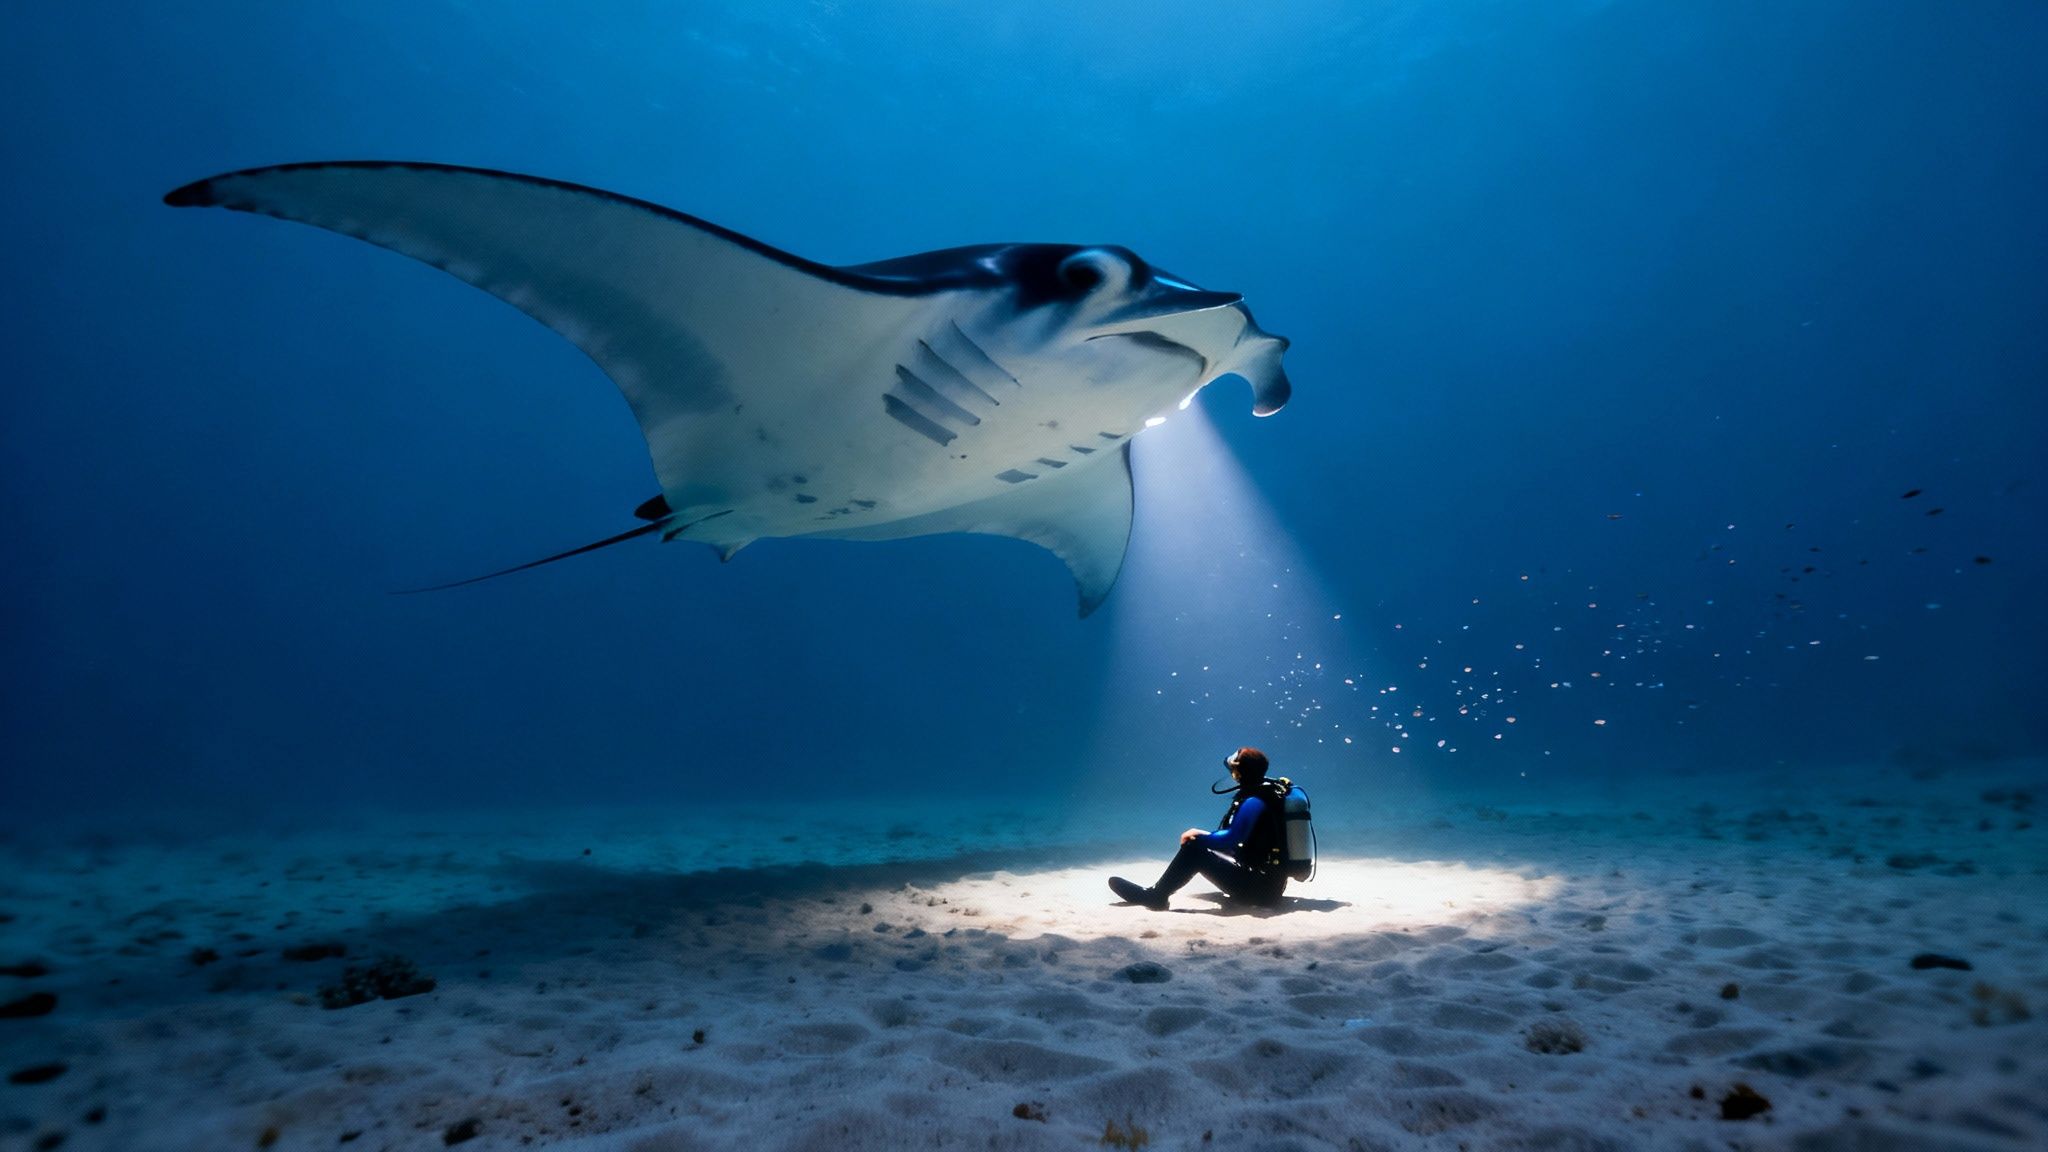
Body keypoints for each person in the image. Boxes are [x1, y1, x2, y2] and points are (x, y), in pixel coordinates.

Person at [1108, 747, 1288, 910]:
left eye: (1233, 770)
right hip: (1270, 887)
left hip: (1259, 891)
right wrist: (1207, 836)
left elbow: (1233, 838)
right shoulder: (1267, 794)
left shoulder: (1253, 801)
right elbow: (1240, 840)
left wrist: (1199, 838)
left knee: (1194, 849)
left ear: (1238, 773)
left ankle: (1156, 896)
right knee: (1199, 843)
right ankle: (1158, 893)